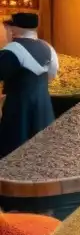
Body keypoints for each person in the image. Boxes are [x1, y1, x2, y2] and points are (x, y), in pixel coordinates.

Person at [0, 13, 58, 158]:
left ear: (15, 28)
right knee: (41, 146)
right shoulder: (49, 48)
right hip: (43, 103)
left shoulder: (13, 50)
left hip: (19, 105)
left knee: (16, 147)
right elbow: (52, 75)